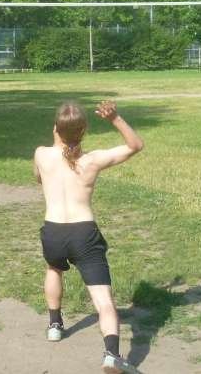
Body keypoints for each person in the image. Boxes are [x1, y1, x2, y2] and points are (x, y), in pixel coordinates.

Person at [34, 100, 144, 374]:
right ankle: (112, 356)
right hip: (84, 233)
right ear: (83, 132)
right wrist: (115, 118)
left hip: (54, 231)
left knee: (54, 268)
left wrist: (60, 136)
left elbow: (40, 178)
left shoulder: (41, 155)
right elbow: (135, 145)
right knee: (103, 300)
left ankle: (55, 326)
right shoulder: (92, 160)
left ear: (56, 128)